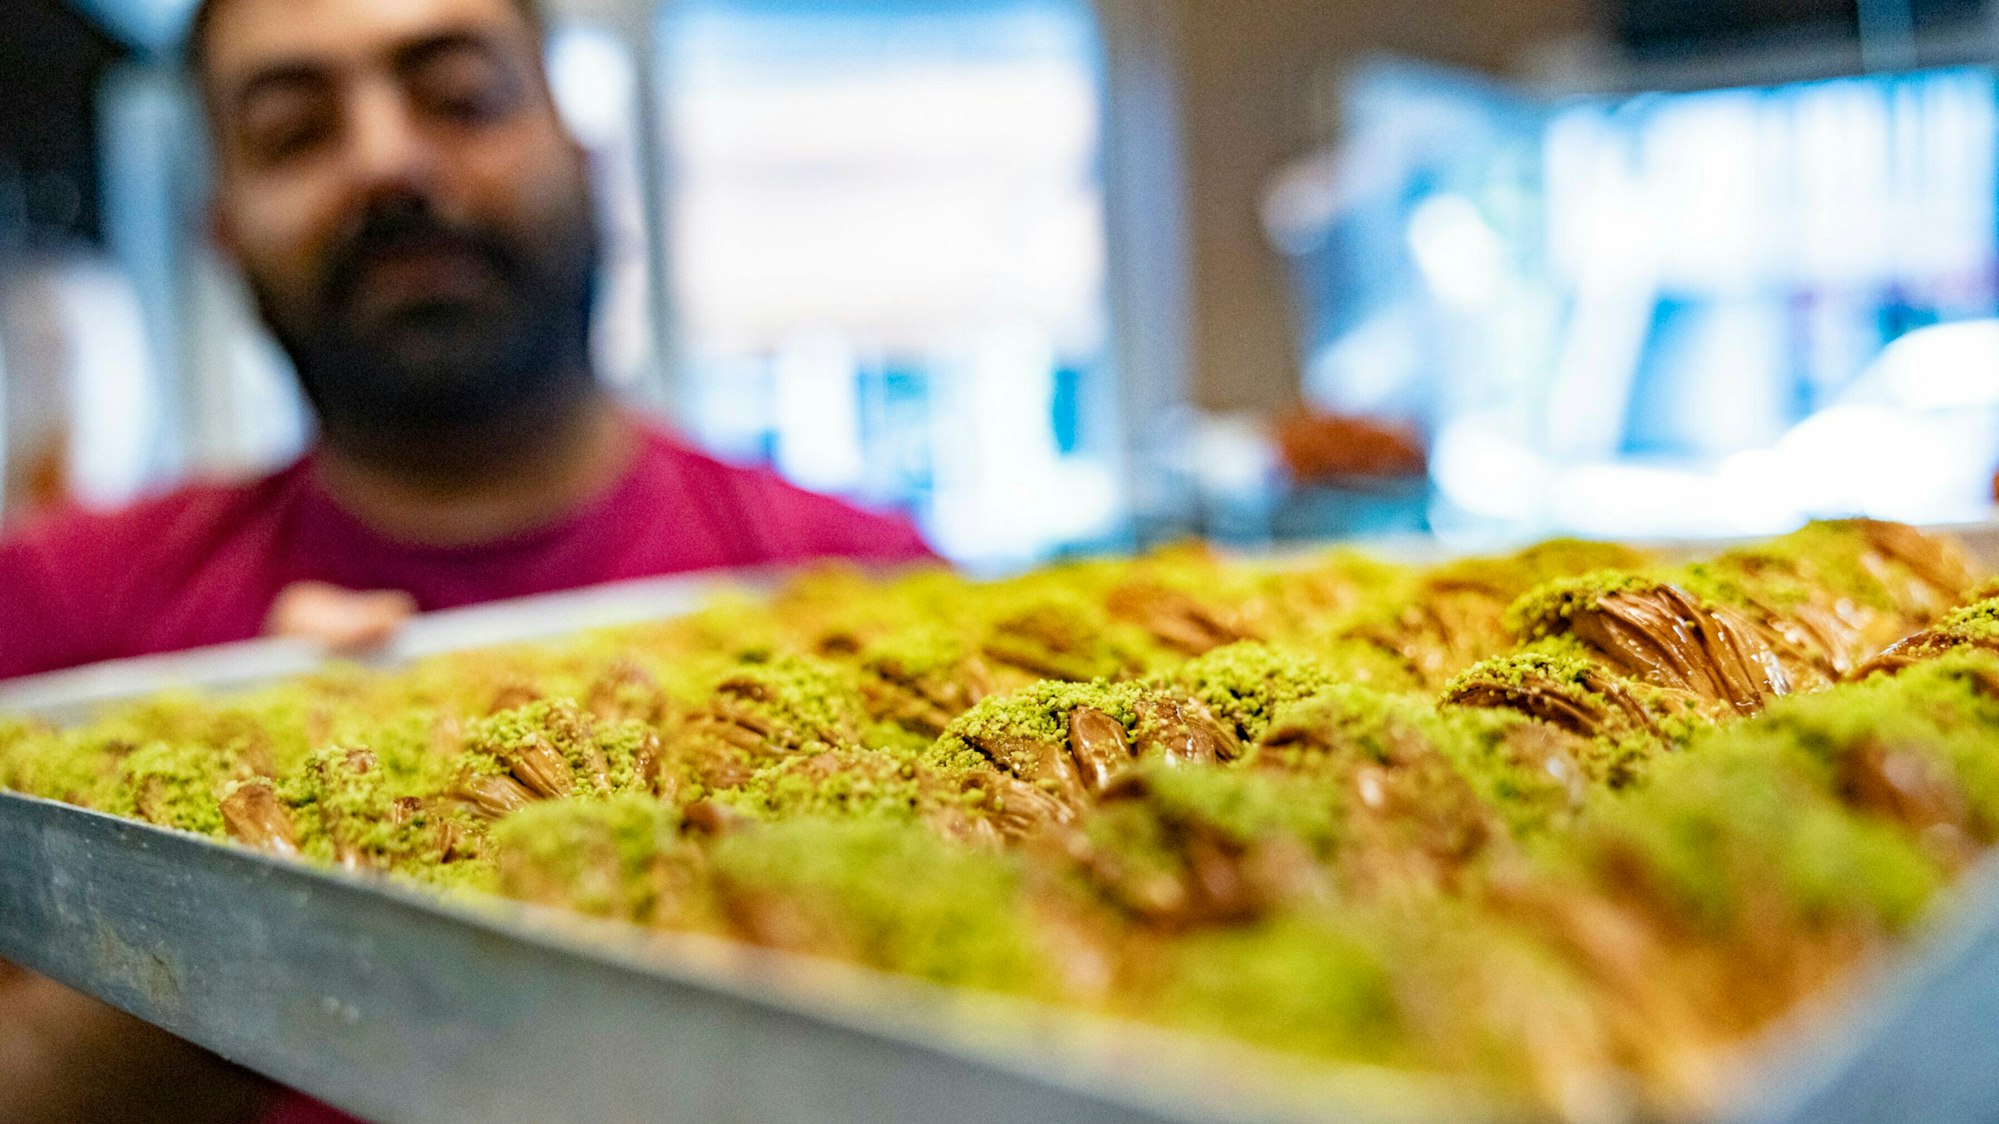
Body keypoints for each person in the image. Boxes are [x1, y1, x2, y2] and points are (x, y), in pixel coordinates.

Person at [0, 0, 934, 1118]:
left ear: (585, 159)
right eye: (297, 132)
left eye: (460, 98)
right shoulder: (51, 627)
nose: (387, 162)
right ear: (223, 229)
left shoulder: (875, 598)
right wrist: (202, 898)